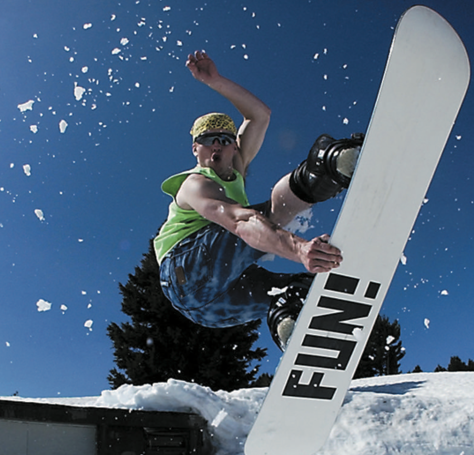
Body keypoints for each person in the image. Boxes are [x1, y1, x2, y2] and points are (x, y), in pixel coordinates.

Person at [154, 49, 363, 350]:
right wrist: (299, 249)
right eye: (208, 140)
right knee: (266, 215)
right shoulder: (195, 184)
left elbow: (259, 115)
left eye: (225, 140)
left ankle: (290, 321)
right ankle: (325, 167)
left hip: (209, 310)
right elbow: (240, 222)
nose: (217, 146)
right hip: (185, 268)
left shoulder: (237, 167)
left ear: (235, 148)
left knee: (294, 291)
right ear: (195, 149)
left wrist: (215, 80)